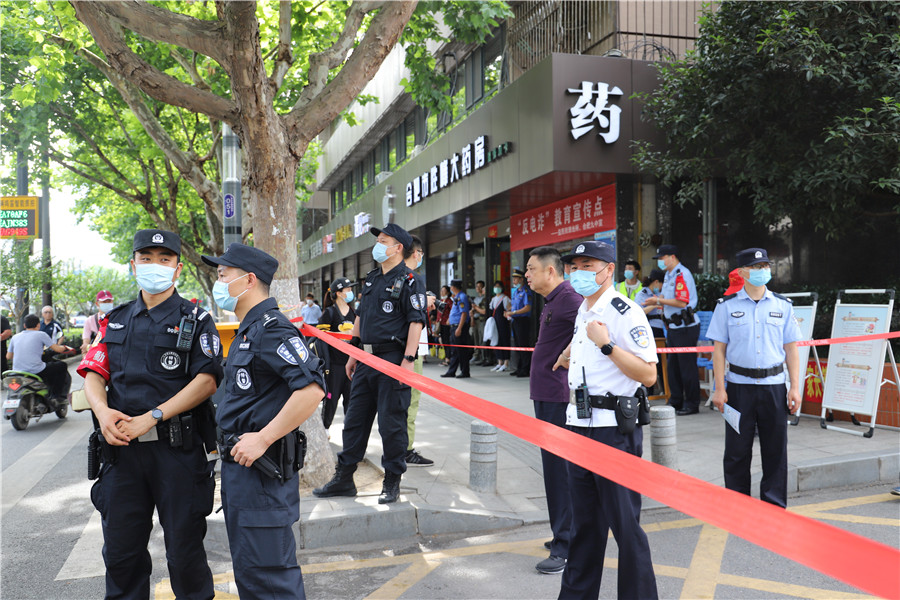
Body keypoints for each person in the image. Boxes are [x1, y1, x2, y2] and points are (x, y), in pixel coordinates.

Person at [77, 229, 222, 599]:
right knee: (121, 557)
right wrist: (103, 412)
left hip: (178, 453)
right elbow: (94, 373)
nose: (154, 265)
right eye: (146, 258)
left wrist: (153, 416)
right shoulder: (115, 319)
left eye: (164, 258)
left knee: (185, 556)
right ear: (133, 265)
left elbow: (207, 381)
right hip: (121, 454)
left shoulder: (196, 319)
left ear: (177, 268)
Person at [203, 243, 325, 599]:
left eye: (223, 275)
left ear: (249, 280)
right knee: (253, 575)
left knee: (270, 579)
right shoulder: (250, 329)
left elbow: (312, 389)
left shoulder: (271, 329)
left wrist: (264, 437)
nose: (219, 282)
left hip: (261, 472)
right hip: (244, 470)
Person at [553, 241, 659, 599]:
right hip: (579, 426)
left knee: (625, 527)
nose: (578, 273)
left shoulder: (624, 311)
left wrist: (607, 346)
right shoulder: (584, 310)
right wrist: (568, 353)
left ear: (609, 269)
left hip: (613, 431)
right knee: (584, 527)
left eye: (587, 265)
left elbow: (648, 375)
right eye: (574, 266)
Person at [314, 223, 426, 504]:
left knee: (392, 423)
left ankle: (392, 480)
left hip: (393, 359)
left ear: (398, 248)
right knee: (354, 420)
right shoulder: (372, 278)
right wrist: (353, 354)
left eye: (383, 241)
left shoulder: (410, 280)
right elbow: (360, 318)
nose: (377, 245)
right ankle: (344, 478)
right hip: (366, 359)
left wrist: (408, 360)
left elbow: (416, 322)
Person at [707, 247, 802, 508]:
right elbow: (719, 351)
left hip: (774, 387)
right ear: (742, 272)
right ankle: (738, 506)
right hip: (739, 388)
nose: (763, 271)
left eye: (765, 266)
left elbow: (791, 349)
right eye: (756, 267)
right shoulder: (726, 307)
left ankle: (773, 506)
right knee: (737, 451)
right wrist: (719, 388)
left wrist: (795, 387)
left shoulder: (783, 305)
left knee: (775, 450)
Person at [525, 247, 581, 575]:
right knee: (553, 469)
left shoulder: (570, 298)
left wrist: (568, 355)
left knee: (560, 471)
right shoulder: (552, 301)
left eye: (531, 269)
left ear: (550, 271)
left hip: (558, 398)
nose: (527, 275)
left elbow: (593, 328)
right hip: (546, 395)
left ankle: (566, 544)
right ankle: (563, 532)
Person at [648, 244, 701, 415]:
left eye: (662, 258)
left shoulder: (681, 274)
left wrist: (658, 301)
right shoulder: (669, 275)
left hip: (685, 327)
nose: (660, 261)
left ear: (672, 257)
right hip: (673, 327)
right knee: (673, 367)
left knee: (687, 367)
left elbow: (681, 302)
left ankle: (692, 403)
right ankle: (676, 401)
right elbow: (665, 298)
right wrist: (655, 301)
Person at [403, 237, 434, 466]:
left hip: (404, 351)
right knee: (410, 402)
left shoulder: (391, 277)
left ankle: (400, 448)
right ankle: (405, 449)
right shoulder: (412, 279)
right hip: (410, 353)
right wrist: (425, 302)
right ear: (416, 253)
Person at [319, 277, 358, 430]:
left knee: (352, 401)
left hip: (351, 365)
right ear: (339, 293)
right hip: (334, 366)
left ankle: (350, 431)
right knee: (331, 399)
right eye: (348, 290)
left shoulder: (354, 313)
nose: (350, 292)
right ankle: (325, 429)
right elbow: (321, 338)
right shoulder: (329, 313)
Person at [6, 314, 72, 399]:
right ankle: (56, 397)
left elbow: (8, 356)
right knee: (62, 365)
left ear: (24, 325)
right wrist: (64, 347)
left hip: (17, 371)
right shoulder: (41, 335)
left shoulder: (15, 337)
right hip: (36, 371)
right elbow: (57, 349)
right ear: (38, 325)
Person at [441, 279, 473, 379]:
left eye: (451, 286)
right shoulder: (456, 297)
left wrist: (459, 328)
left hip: (459, 327)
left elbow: (464, 313)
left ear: (454, 287)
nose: (450, 288)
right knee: (454, 350)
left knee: (461, 350)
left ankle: (465, 371)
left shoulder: (462, 297)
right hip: (453, 326)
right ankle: (452, 371)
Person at [506, 267, 533, 377]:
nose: (514, 281)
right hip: (515, 320)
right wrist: (509, 311)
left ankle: (525, 369)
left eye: (516, 279)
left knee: (523, 345)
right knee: (517, 345)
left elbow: (527, 307)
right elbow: (513, 306)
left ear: (522, 279)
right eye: (513, 279)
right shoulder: (516, 292)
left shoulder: (526, 292)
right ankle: (519, 367)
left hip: (523, 320)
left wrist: (514, 312)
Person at [489, 282, 512, 372]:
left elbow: (509, 308)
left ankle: (506, 362)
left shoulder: (505, 298)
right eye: (495, 286)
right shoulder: (493, 299)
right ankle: (499, 362)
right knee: (496, 341)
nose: (496, 288)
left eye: (498, 287)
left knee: (504, 340)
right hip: (495, 323)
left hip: (503, 323)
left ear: (502, 288)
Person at [470, 281, 489, 365]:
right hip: (475, 319)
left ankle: (483, 357)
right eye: (477, 286)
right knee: (476, 338)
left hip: (482, 320)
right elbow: (473, 310)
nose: (478, 288)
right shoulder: (476, 299)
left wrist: (476, 308)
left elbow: (484, 311)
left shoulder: (485, 298)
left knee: (482, 339)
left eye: (480, 287)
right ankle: (476, 354)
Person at [436, 285, 452, 366]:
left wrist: (449, 319)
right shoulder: (441, 301)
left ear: (448, 292)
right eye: (441, 290)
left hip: (446, 324)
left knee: (447, 341)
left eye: (444, 291)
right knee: (443, 340)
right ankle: (446, 357)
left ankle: (448, 358)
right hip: (441, 323)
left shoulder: (449, 301)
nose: (442, 292)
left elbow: (452, 311)